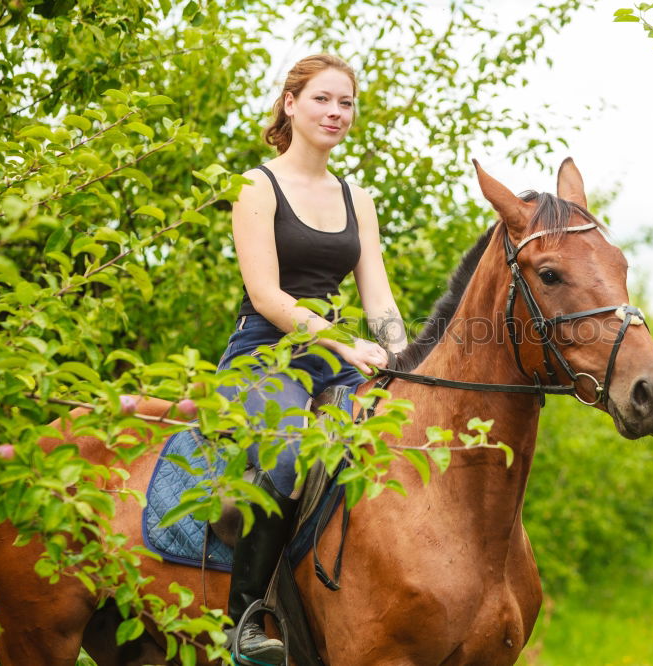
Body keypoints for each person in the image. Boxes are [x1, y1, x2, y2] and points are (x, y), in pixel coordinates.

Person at [215, 53, 408, 663]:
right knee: (292, 451)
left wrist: (405, 358)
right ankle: (244, 619)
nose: (335, 112)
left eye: (346, 102)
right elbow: (269, 295)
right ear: (290, 103)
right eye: (323, 99)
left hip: (332, 354)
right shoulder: (257, 185)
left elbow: (378, 298)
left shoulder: (358, 198)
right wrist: (344, 342)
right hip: (265, 352)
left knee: (394, 444)